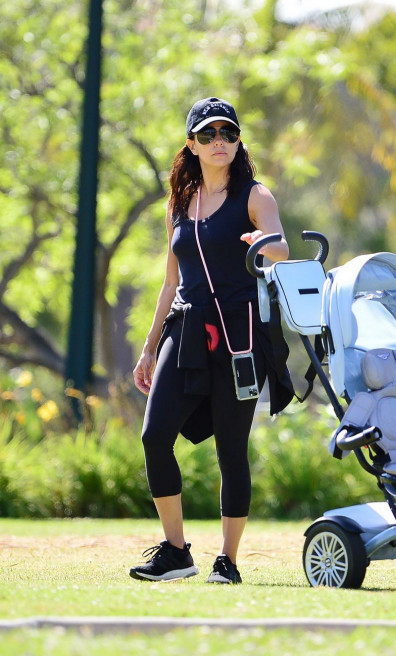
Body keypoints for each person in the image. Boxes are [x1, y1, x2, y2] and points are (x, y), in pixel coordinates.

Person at [130, 97, 294, 584]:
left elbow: (282, 245)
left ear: (238, 140)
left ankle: (229, 560)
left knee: (231, 449)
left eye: (227, 133)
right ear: (192, 144)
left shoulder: (255, 195)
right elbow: (169, 281)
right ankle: (177, 552)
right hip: (185, 332)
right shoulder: (179, 203)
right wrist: (148, 346)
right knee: (155, 436)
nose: (218, 141)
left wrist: (263, 245)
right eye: (208, 134)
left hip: (241, 336)